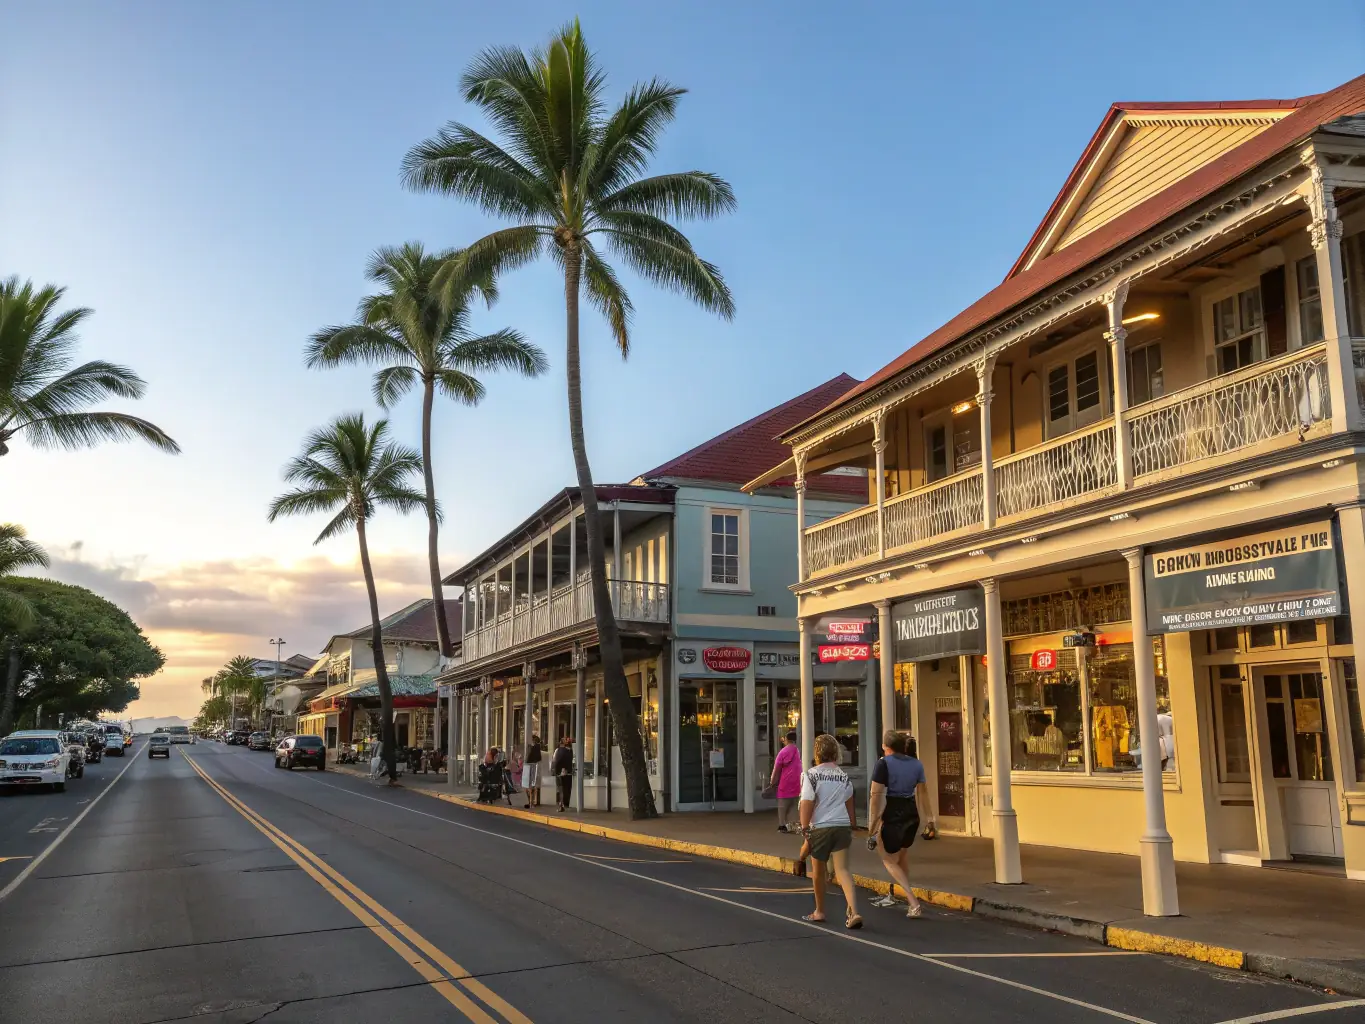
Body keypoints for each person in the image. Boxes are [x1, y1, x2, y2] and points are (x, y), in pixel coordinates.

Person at [798, 733, 862, 929]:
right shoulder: (843, 776)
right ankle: (854, 911)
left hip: (821, 827)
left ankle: (819, 911)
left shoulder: (811, 775)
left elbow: (807, 802)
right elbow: (850, 801)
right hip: (842, 825)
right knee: (843, 870)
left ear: (817, 753)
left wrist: (804, 827)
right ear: (835, 752)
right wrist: (853, 824)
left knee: (818, 872)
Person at [867, 731, 929, 918]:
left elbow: (876, 796)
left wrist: (872, 827)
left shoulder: (883, 763)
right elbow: (922, 792)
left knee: (887, 858)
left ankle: (913, 902)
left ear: (887, 747)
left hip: (893, 813)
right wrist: (930, 819)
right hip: (912, 813)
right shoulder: (917, 764)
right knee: (902, 856)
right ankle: (899, 895)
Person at [770, 730, 802, 832]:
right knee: (794, 804)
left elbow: (777, 769)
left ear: (786, 739)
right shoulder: (797, 751)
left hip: (785, 782)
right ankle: (793, 824)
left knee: (782, 804)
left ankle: (782, 825)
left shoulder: (782, 752)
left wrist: (772, 781)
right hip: (797, 781)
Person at [551, 736, 574, 812]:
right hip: (568, 772)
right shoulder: (570, 751)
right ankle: (566, 804)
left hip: (561, 772)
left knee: (561, 789)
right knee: (567, 788)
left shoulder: (559, 750)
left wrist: (555, 770)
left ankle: (561, 805)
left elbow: (556, 761)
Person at [524, 734, 544, 808]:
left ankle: (531, 802)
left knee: (530, 786)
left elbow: (529, 758)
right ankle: (534, 802)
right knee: (535, 786)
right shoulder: (538, 749)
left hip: (531, 767)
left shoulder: (533, 748)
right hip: (536, 768)